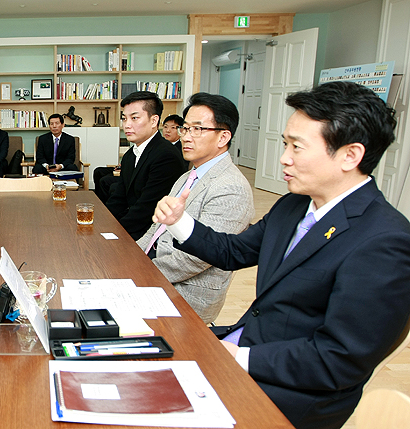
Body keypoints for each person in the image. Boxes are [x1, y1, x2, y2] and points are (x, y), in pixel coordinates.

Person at [151, 81, 410, 428]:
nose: (284, 158)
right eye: (285, 144)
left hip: (287, 392)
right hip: (240, 347)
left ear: (351, 155)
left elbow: (339, 360)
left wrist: (238, 357)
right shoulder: (295, 204)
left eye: (297, 147)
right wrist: (179, 222)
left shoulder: (385, 241)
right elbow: (235, 251)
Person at [137, 93, 254, 324]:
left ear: (223, 137)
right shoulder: (186, 177)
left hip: (186, 293)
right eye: (185, 128)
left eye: (197, 129)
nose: (186, 137)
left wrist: (141, 273)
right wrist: (132, 258)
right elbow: (156, 229)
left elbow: (197, 257)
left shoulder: (231, 188)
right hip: (157, 270)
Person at [105, 91, 186, 241]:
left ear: (154, 121)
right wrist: (101, 223)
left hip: (152, 233)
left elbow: (146, 209)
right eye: (124, 118)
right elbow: (119, 198)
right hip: (132, 224)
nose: (127, 125)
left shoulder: (166, 156)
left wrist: (114, 233)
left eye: (134, 118)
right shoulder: (130, 155)